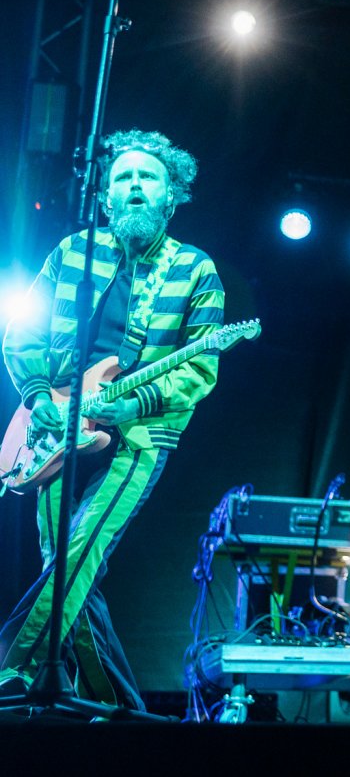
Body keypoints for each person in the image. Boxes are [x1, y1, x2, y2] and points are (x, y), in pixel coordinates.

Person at [0, 130, 225, 710]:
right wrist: (36, 396)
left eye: (148, 177)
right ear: (105, 196)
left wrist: (136, 404)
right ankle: (121, 713)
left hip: (138, 437)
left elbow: (201, 369)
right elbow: (22, 332)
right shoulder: (72, 253)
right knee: (70, 572)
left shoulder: (195, 269)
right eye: (123, 178)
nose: (135, 186)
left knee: (79, 553)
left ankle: (11, 665)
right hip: (56, 428)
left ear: (171, 195)